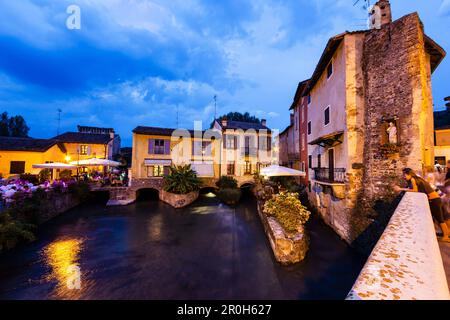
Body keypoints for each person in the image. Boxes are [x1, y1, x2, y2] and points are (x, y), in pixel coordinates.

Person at [393, 168, 450, 243]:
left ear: (410, 174)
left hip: (434, 200)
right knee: (440, 218)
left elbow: (415, 190)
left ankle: (446, 236)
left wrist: (400, 189)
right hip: (435, 199)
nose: (403, 176)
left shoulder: (413, 179)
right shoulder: (417, 179)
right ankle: (446, 234)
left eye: (405, 174)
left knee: (439, 218)